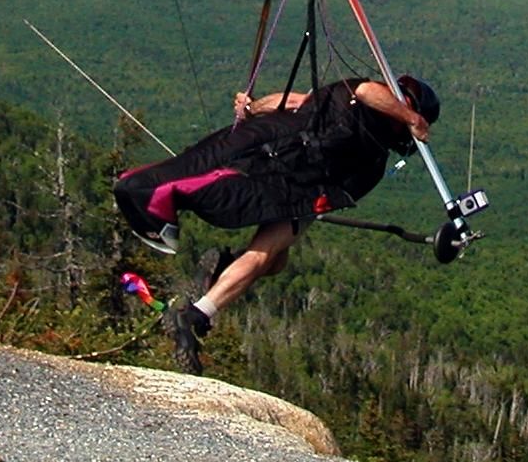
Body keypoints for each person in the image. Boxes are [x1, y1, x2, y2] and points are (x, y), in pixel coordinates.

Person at [114, 74, 437, 372]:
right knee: (263, 255)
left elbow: (294, 101)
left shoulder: (367, 143)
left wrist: (254, 108)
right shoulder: (359, 95)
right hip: (280, 173)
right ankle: (196, 315)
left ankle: (225, 266)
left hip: (298, 188)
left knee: (275, 262)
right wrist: (413, 119)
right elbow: (366, 91)